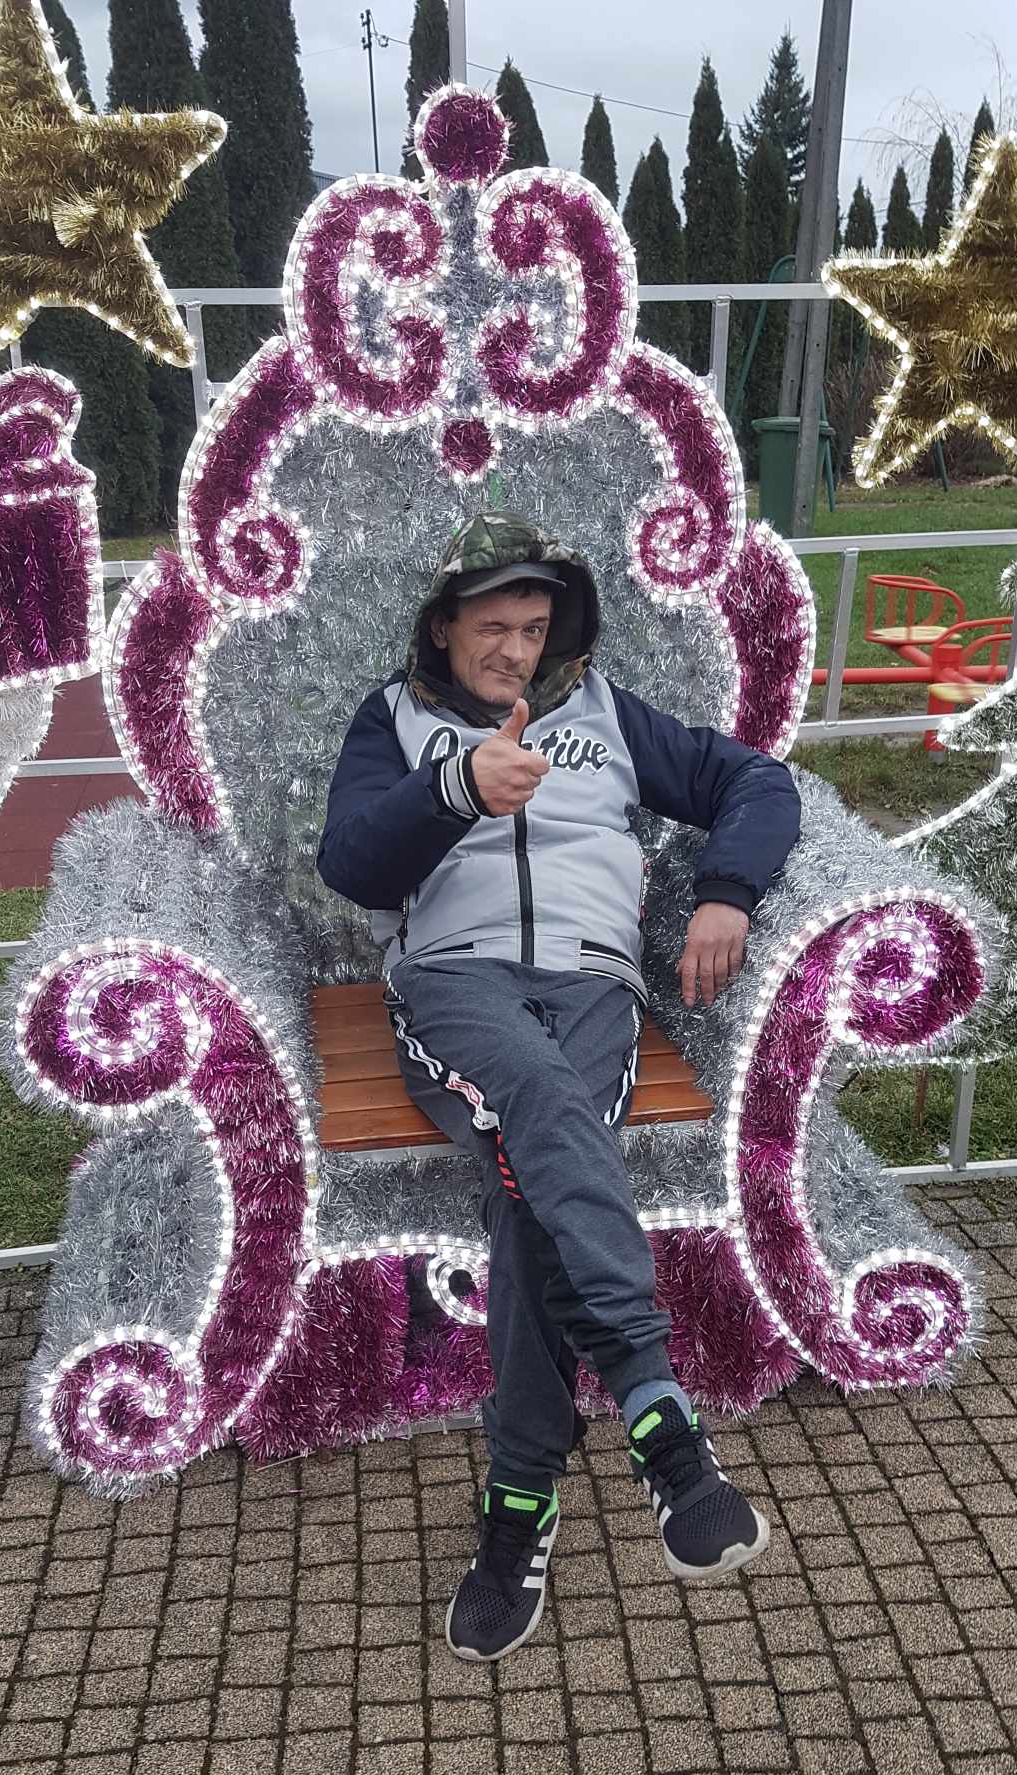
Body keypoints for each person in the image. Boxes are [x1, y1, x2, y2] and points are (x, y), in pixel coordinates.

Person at [318, 510, 801, 1662]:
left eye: (533, 628)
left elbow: (758, 782)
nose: (514, 650)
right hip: (455, 986)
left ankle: (519, 1501)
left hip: (592, 982)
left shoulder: (606, 713)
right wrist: (456, 790)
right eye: (492, 626)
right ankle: (660, 1421)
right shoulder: (392, 723)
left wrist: (728, 891)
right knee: (539, 1099)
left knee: (529, 1186)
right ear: (443, 627)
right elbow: (350, 863)